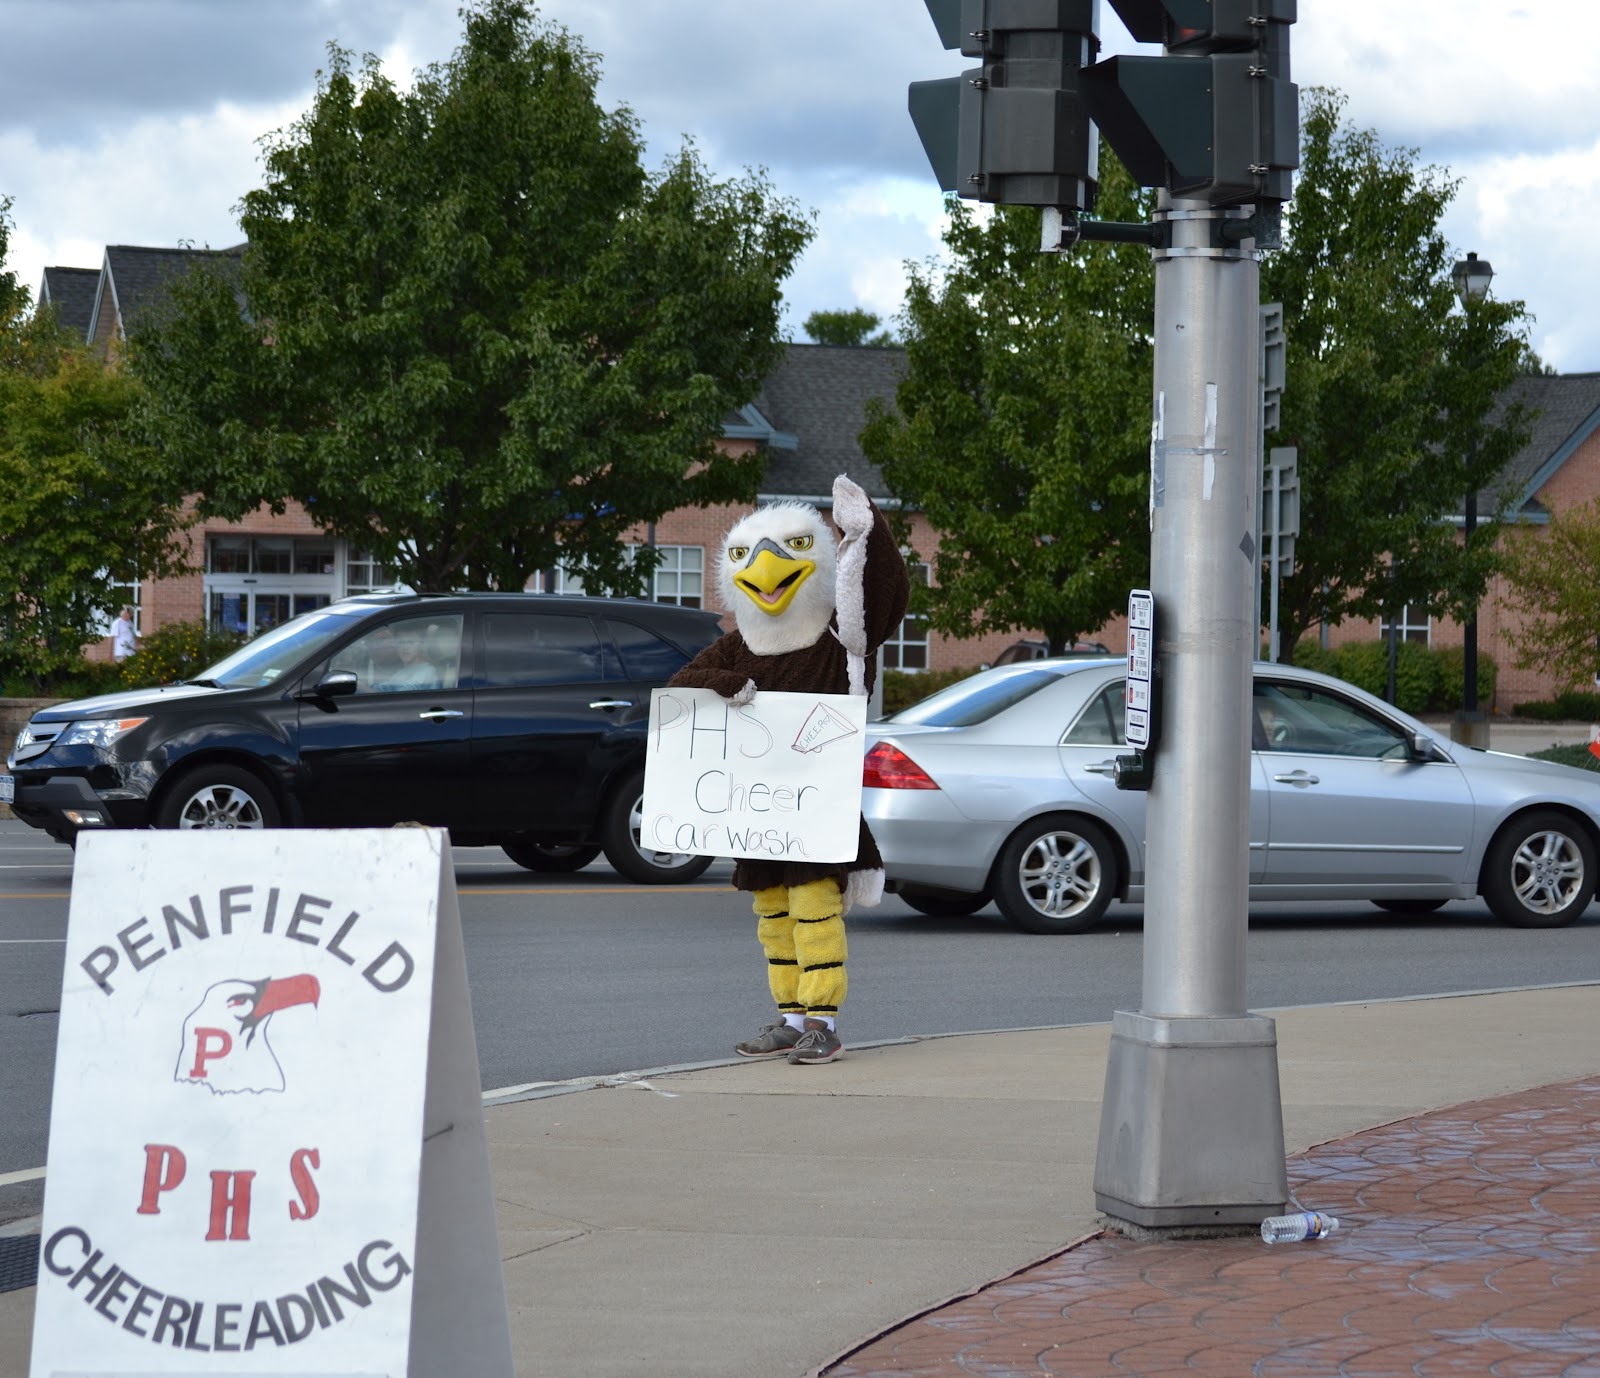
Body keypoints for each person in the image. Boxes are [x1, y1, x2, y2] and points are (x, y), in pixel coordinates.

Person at [667, 474, 909, 1065]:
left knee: (812, 909)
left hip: (814, 806)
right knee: (772, 913)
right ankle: (789, 1017)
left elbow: (878, 597)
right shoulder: (740, 642)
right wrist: (727, 682)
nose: (768, 568)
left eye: (792, 549)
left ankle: (823, 1021)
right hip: (758, 810)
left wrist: (865, 532)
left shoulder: (840, 636)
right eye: (748, 555)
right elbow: (680, 686)